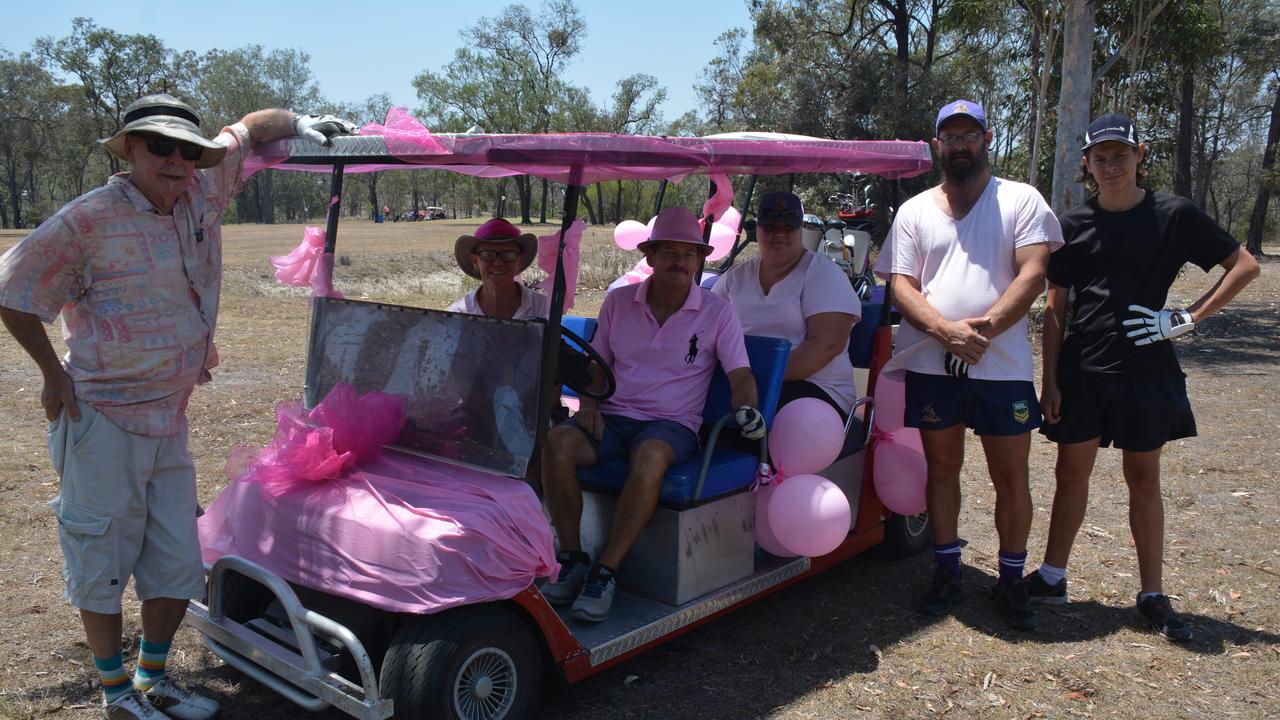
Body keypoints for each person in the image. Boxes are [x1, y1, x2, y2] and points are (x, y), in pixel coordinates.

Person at [0, 94, 355, 720]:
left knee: (177, 559)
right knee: (102, 558)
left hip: (170, 416)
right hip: (103, 417)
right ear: (130, 149)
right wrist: (52, 374)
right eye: (159, 146)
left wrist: (301, 126)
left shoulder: (199, 190)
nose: (175, 160)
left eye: (187, 150)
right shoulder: (88, 220)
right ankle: (115, 694)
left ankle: (154, 679)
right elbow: (13, 288)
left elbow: (249, 128)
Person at [1026, 113, 1260, 641]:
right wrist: (1051, 380)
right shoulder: (1073, 226)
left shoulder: (1174, 215)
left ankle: (1152, 594)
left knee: (1144, 480)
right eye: (1100, 158)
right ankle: (1052, 575)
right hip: (1083, 370)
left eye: (1120, 155)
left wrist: (1187, 318)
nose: (1111, 166)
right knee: (1070, 474)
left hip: (1146, 372)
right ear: (1087, 163)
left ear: (1140, 155)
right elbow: (1057, 305)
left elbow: (1244, 266)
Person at [874, 99, 1063, 631]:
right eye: (950, 137)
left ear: (986, 139)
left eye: (969, 134)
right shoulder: (914, 211)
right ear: (938, 145)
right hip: (934, 364)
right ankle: (947, 569)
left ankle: (1009, 579)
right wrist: (944, 332)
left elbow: (1033, 273)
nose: (960, 145)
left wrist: (982, 331)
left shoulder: (1021, 200)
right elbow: (900, 284)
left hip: (1001, 366)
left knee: (1011, 476)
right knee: (941, 469)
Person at [539, 206, 766, 622]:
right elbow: (597, 367)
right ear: (651, 256)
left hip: (672, 425)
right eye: (668, 252)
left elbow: (740, 375)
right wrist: (588, 405)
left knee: (651, 456)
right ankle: (572, 559)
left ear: (700, 260)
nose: (678, 261)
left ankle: (605, 571)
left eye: (688, 253)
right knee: (557, 442)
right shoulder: (618, 302)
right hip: (615, 418)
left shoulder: (717, 313)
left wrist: (747, 407)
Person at [711, 190, 861, 422]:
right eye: (771, 226)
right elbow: (706, 325)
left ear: (800, 229)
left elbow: (827, 345)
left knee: (741, 421)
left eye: (788, 226)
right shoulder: (736, 276)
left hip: (816, 389)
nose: (779, 233)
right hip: (745, 381)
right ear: (757, 229)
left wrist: (752, 378)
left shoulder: (822, 273)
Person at [447, 218, 549, 320]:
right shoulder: (459, 314)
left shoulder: (544, 309)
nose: (498, 263)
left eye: (508, 254)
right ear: (475, 261)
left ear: (519, 261)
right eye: (487, 255)